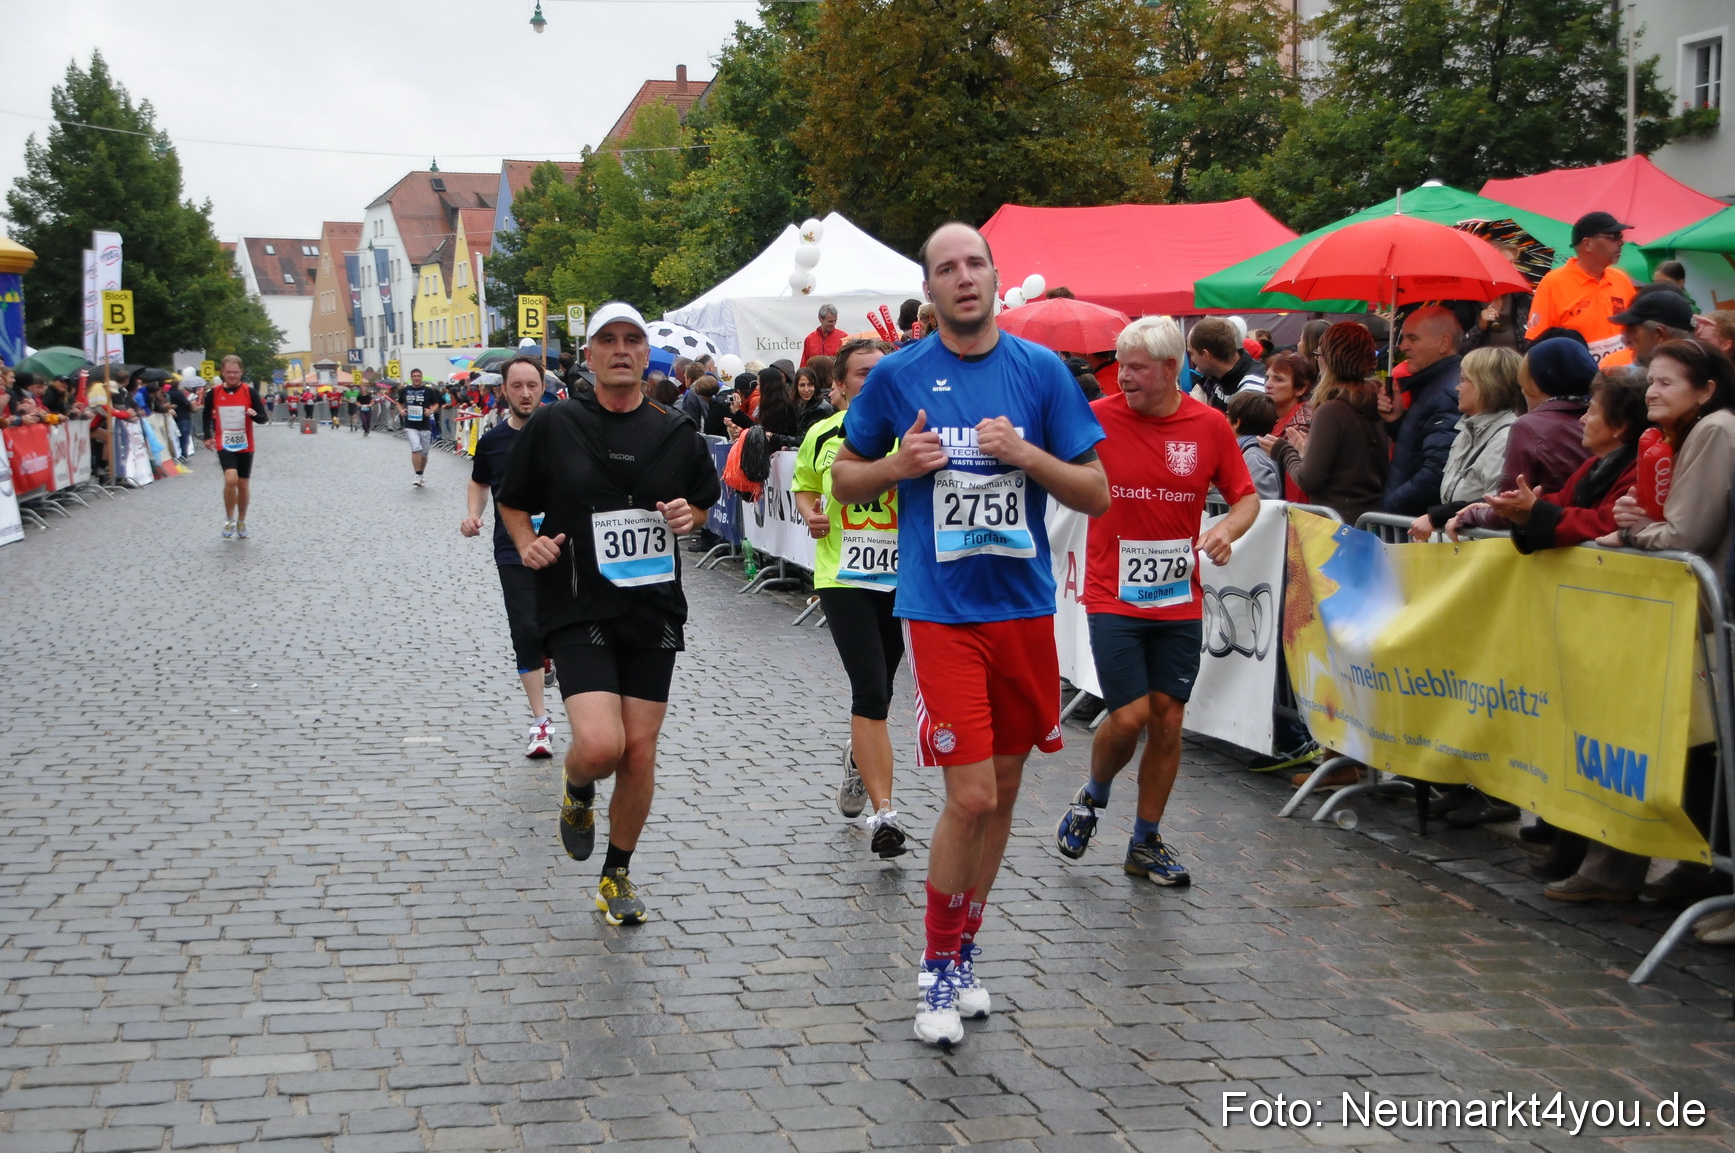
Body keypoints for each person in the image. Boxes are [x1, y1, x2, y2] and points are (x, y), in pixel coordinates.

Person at [831, 222, 1108, 1048]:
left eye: (975, 263)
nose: (963, 277)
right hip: (941, 611)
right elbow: (842, 479)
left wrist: (1026, 455)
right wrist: (895, 466)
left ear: (993, 276)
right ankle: (934, 965)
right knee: (973, 795)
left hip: (1022, 609)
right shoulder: (898, 374)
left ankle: (964, 950)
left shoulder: (1041, 371)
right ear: (929, 289)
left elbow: (1094, 491)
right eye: (946, 268)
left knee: (1006, 791)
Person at [496, 302, 720, 928]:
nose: (621, 349)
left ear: (647, 355)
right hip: (577, 601)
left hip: (652, 607)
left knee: (639, 754)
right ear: (589, 354)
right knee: (600, 746)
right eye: (608, 340)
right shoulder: (555, 423)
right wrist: (526, 543)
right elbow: (513, 501)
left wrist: (692, 517)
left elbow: (705, 503)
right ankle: (577, 785)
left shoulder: (676, 430)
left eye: (632, 340)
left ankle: (615, 875)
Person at [1054, 315, 1258, 888]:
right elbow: (1049, 468)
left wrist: (1226, 531)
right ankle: (1093, 796)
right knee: (1129, 716)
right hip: (1112, 592)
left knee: (1168, 719)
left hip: (1177, 598)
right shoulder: (1096, 419)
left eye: (1136, 368)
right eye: (1120, 366)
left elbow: (1245, 499)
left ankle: (1145, 841)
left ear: (1171, 369)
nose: (1123, 377)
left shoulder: (1209, 425)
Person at [1541, 339, 1735, 904]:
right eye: (1652, 381)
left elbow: (1685, 533)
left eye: (1667, 382)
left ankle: (1701, 872)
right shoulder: (1676, 435)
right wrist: (1637, 519)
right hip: (1686, 610)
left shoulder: (1715, 430)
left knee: (1691, 744)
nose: (1653, 391)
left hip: (1700, 612)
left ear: (1707, 389)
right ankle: (1693, 870)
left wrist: (1631, 530)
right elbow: (1668, 521)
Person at [792, 336, 908, 858]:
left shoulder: (912, 430)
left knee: (883, 688)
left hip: (902, 579)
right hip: (843, 577)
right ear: (839, 385)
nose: (874, 380)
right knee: (869, 690)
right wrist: (810, 512)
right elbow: (804, 485)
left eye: (882, 371)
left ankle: (859, 757)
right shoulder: (823, 433)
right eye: (863, 373)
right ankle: (885, 814)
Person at [462, 356, 556, 762]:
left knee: (559, 626)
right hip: (512, 548)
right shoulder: (493, 441)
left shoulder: (562, 432)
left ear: (543, 387)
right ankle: (540, 723)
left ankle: (549, 654)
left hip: (561, 545)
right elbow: (479, 481)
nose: (525, 393)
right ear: (504, 390)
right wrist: (473, 515)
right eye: (516, 386)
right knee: (525, 628)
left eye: (532, 385)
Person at [1447, 339, 1598, 536]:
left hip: (1551, 541)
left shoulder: (1529, 426)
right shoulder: (1602, 418)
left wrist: (1468, 516)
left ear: (1534, 384)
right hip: (1593, 537)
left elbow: (1509, 509)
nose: (1521, 388)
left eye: (1464, 380)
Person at [1261, 323, 1390, 528]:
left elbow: (1308, 480)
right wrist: (1305, 451)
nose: (1317, 359)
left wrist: (1283, 451)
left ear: (1329, 360)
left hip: (1337, 527)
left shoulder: (1332, 411)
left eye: (1319, 354)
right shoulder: (1382, 402)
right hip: (1373, 520)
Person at [1408, 347, 1523, 539]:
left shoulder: (1508, 437)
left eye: (1463, 380)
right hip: (1457, 548)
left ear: (1486, 385)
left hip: (1482, 552)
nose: (1457, 387)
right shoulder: (1466, 431)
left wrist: (1437, 518)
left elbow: (1497, 507)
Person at [1380, 306, 1463, 516]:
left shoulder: (1446, 392)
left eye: (1413, 338)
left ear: (1443, 343)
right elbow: (1419, 448)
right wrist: (1397, 420)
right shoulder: (1435, 383)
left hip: (1414, 523)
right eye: (1403, 338)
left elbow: (1437, 472)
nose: (1402, 346)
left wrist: (1391, 506)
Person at [1526, 212, 1637, 365]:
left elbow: (1636, 328)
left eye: (1620, 236)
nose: (1621, 242)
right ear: (1587, 244)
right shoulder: (1553, 283)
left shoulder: (1620, 279)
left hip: (1622, 376)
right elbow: (1537, 343)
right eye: (1613, 237)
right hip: (1579, 377)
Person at [200, 355, 268, 539]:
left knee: (243, 485)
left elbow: (263, 419)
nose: (232, 375)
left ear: (241, 372)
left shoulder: (249, 392)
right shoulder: (214, 393)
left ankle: (241, 520)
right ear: (222, 372)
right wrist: (207, 436)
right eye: (228, 372)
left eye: (235, 372)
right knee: (231, 479)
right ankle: (229, 519)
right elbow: (206, 414)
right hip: (225, 442)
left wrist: (253, 414)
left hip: (245, 444)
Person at [1186, 318, 1265, 411]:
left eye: (1192, 354)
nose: (1191, 360)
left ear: (1205, 355)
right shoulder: (1223, 378)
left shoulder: (1252, 393)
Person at [1610, 283, 1695, 368]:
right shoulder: (1628, 371)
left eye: (1632, 331)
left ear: (1659, 334)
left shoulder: (1697, 373)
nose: (1625, 339)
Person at [1225, 390, 1284, 499]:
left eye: (1227, 416)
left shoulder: (1252, 457)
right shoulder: (1256, 452)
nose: (1224, 420)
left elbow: (1261, 502)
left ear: (1237, 422)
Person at [395, 368, 441, 487]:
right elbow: (399, 403)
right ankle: (417, 474)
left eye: (418, 376)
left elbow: (436, 404)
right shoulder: (406, 390)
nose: (416, 378)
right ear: (411, 378)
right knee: (416, 448)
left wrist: (430, 411)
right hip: (410, 424)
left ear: (421, 377)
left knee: (424, 453)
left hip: (425, 425)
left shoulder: (428, 391)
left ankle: (421, 474)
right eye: (414, 376)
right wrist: (401, 411)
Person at [167, 376, 195, 462]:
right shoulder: (179, 393)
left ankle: (176, 454)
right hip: (183, 416)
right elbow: (186, 403)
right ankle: (184, 455)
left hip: (173, 417)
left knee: (175, 437)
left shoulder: (168, 393)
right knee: (184, 437)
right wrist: (190, 407)